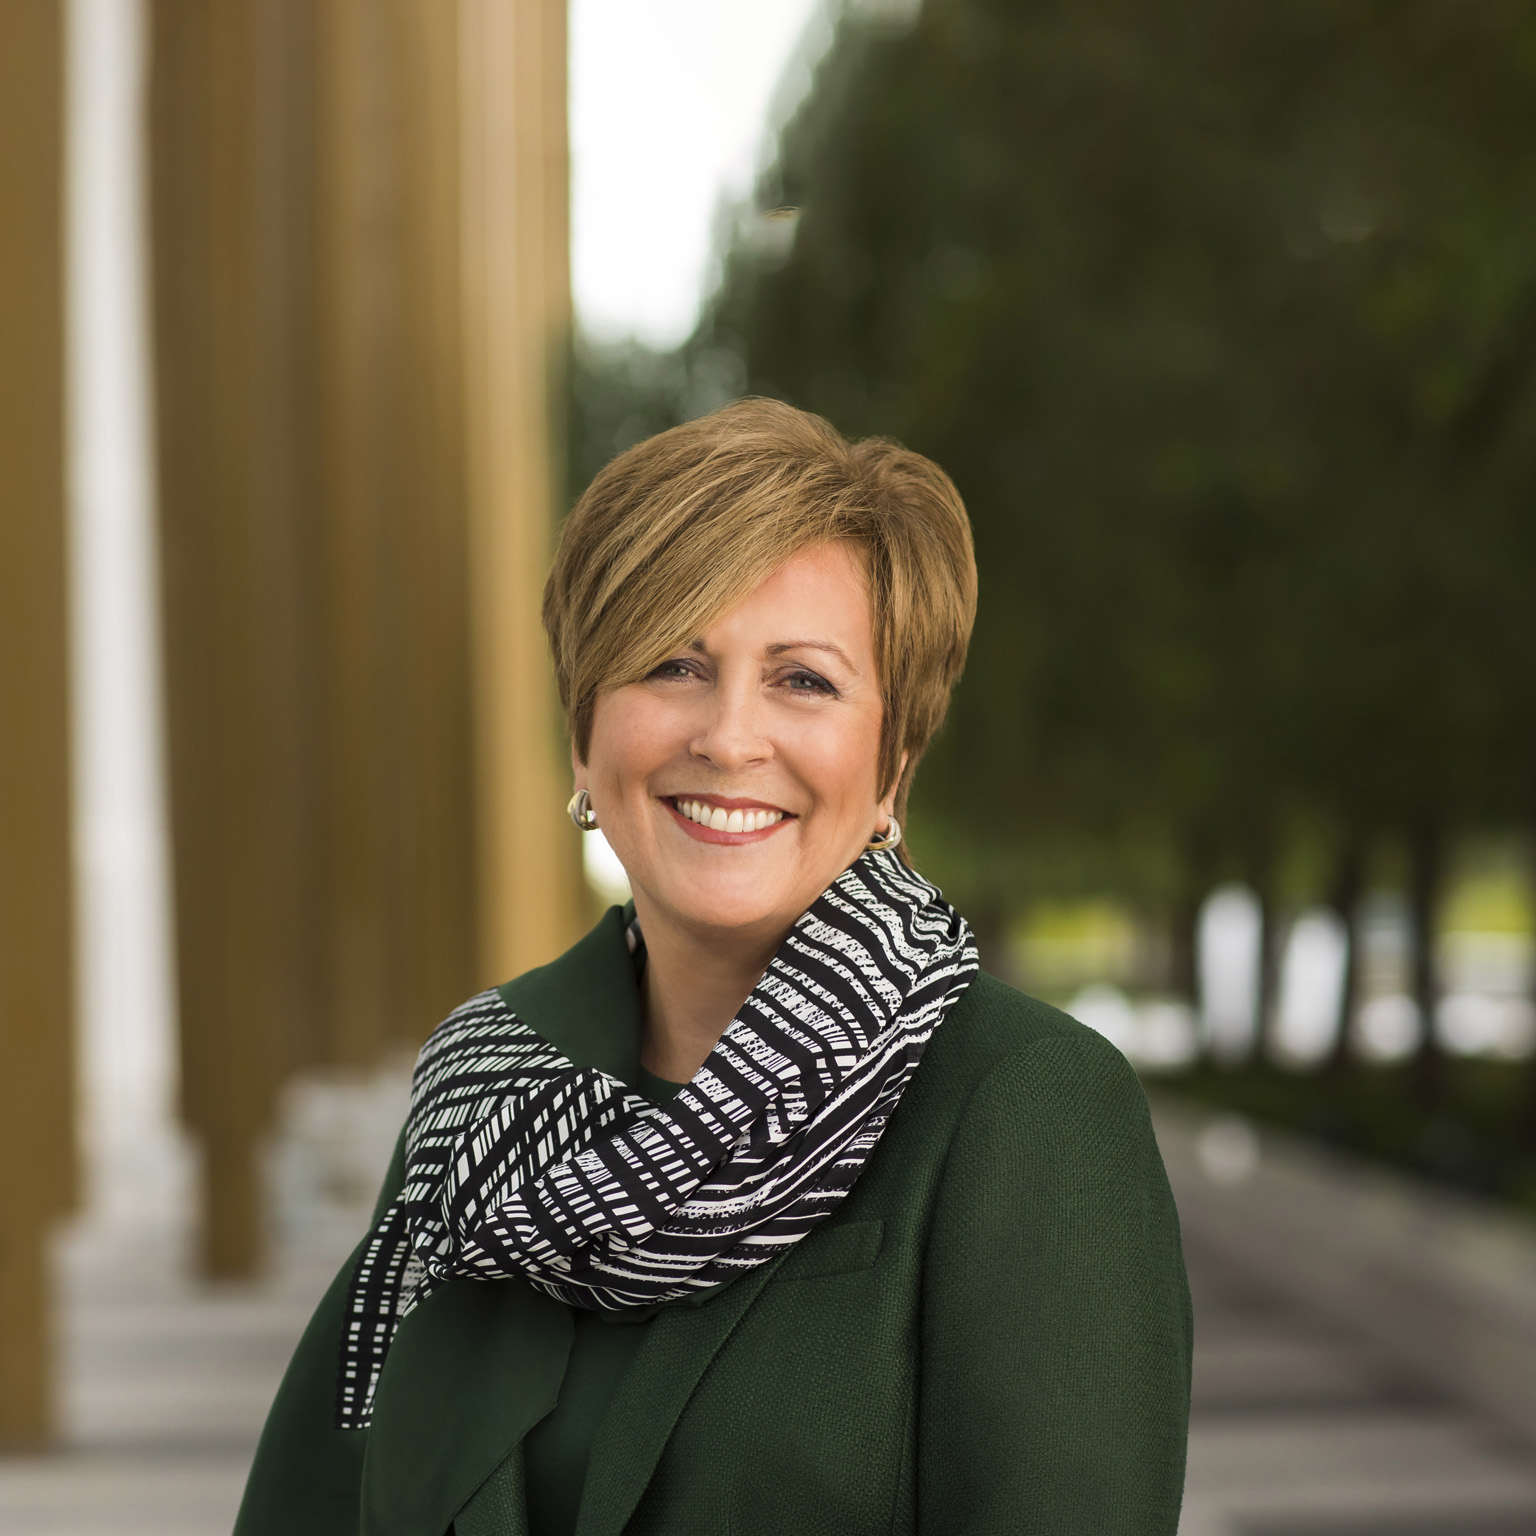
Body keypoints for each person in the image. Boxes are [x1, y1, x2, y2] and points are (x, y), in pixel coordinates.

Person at [235, 398, 1190, 1536]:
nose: (728, 736)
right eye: (673, 664)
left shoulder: (1027, 1109)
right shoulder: (480, 1094)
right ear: (585, 737)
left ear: (892, 764)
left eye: (804, 681)